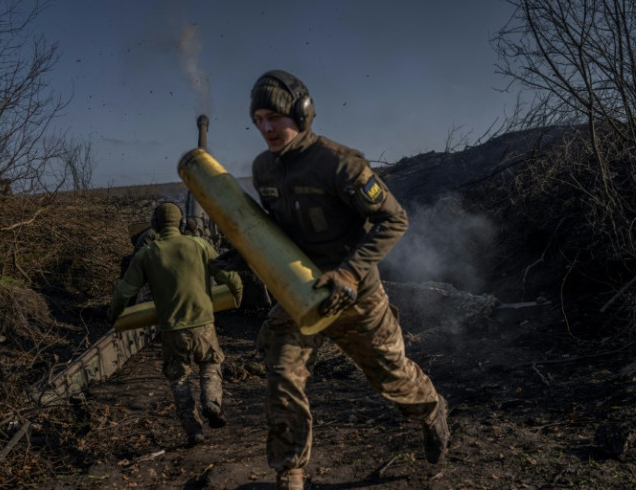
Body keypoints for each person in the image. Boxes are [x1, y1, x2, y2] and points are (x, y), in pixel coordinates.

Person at [222, 70, 449, 489]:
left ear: (302, 113)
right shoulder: (263, 169)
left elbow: (394, 219)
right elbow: (276, 230)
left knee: (392, 379)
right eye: (258, 119)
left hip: (355, 295)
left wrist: (348, 271)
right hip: (300, 294)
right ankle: (290, 472)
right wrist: (239, 255)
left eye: (274, 116)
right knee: (282, 373)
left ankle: (431, 411)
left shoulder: (339, 162)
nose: (267, 128)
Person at [108, 202, 243, 446]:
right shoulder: (200, 245)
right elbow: (228, 275)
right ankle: (212, 402)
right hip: (203, 325)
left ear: (156, 225)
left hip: (172, 330)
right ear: (180, 223)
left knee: (179, 378)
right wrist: (237, 293)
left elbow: (124, 292)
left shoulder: (147, 254)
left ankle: (193, 430)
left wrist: (115, 315)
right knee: (211, 364)